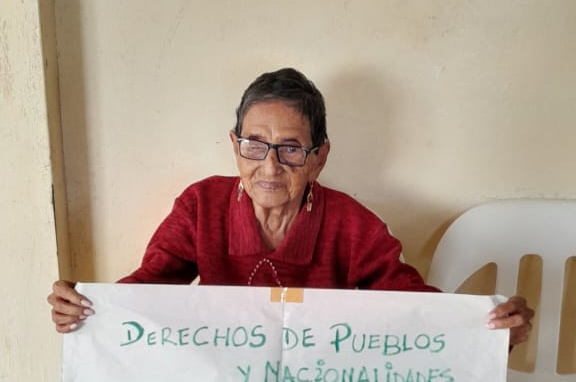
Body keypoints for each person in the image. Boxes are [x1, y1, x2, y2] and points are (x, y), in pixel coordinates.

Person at [48, 67, 534, 343]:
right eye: (255, 145)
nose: (270, 166)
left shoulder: (353, 226)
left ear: (319, 157)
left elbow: (412, 306)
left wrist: (486, 330)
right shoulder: (201, 206)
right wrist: (89, 307)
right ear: (234, 145)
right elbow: (149, 290)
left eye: (291, 148)